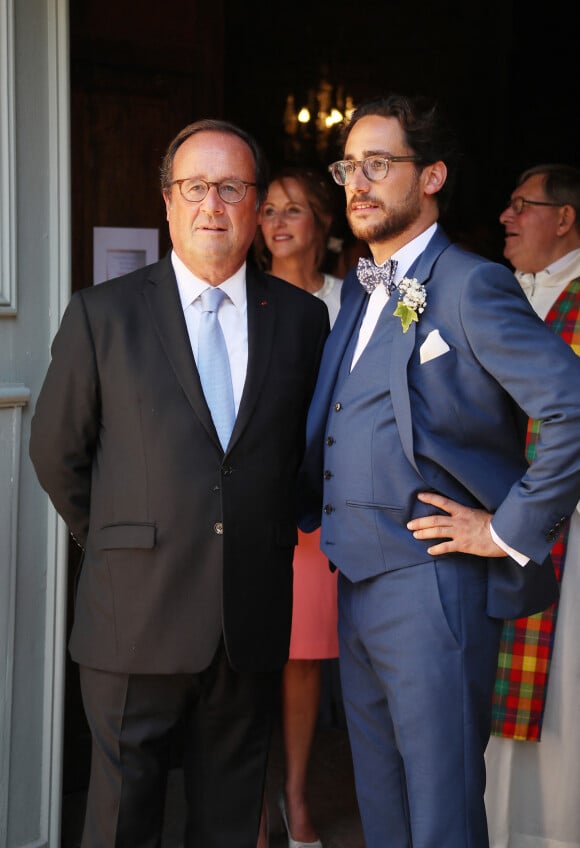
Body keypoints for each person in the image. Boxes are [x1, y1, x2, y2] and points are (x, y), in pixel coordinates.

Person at [29, 118, 329, 848]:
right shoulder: (103, 313)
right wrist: (113, 541)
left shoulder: (301, 320)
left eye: (232, 188)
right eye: (196, 188)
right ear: (167, 203)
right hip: (132, 617)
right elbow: (54, 450)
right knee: (121, 825)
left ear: (256, 207)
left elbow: (310, 451)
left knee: (228, 824)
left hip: (248, 621)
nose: (213, 206)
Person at [297, 93, 580, 848]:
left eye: (379, 164)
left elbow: (571, 406)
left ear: (432, 178)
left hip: (435, 590)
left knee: (442, 818)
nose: (357, 182)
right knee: (382, 810)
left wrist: (509, 528)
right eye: (348, 165)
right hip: (355, 583)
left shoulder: (471, 284)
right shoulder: (364, 291)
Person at [484, 163, 580, 848]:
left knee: (566, 707)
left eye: (523, 206)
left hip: (568, 533)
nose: (506, 218)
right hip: (487, 530)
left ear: (565, 218)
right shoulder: (494, 293)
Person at [255, 166, 343, 848]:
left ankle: (294, 795)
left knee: (303, 657)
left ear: (323, 223)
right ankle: (247, 799)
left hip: (320, 510)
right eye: (270, 210)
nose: (277, 222)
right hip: (248, 504)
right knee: (240, 655)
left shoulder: (355, 303)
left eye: (293, 210)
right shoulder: (239, 299)